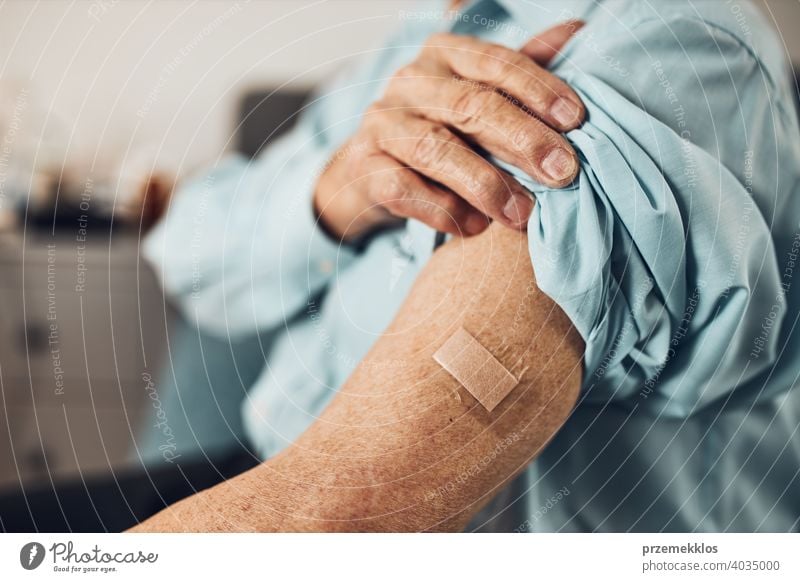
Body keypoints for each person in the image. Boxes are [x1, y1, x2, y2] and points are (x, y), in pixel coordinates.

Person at [4, 0, 800, 532]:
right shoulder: (415, 42)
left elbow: (347, 507)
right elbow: (189, 254)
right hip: (263, 465)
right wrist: (339, 191)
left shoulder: (662, 35)